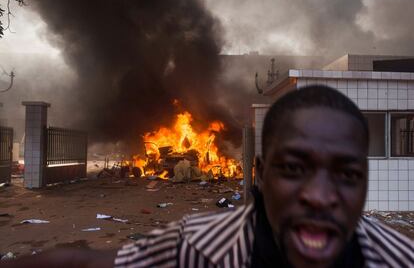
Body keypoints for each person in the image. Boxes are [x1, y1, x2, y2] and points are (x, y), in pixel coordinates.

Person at [1, 86, 413, 267]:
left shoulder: (399, 259)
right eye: (293, 168)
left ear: (365, 178)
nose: (320, 195)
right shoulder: (197, 248)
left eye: (346, 172)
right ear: (260, 173)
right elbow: (81, 261)